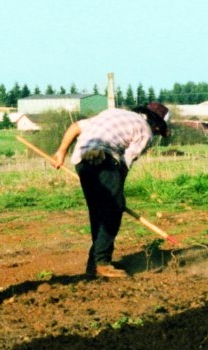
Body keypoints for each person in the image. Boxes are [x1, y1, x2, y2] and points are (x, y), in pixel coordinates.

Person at [52, 102, 170, 279]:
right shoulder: (145, 131)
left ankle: (94, 264)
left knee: (98, 212)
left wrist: (61, 152)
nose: (156, 133)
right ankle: (102, 263)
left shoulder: (112, 113)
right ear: (157, 124)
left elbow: (76, 127)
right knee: (114, 207)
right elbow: (124, 164)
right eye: (158, 130)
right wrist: (117, 194)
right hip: (103, 157)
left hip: (81, 159)